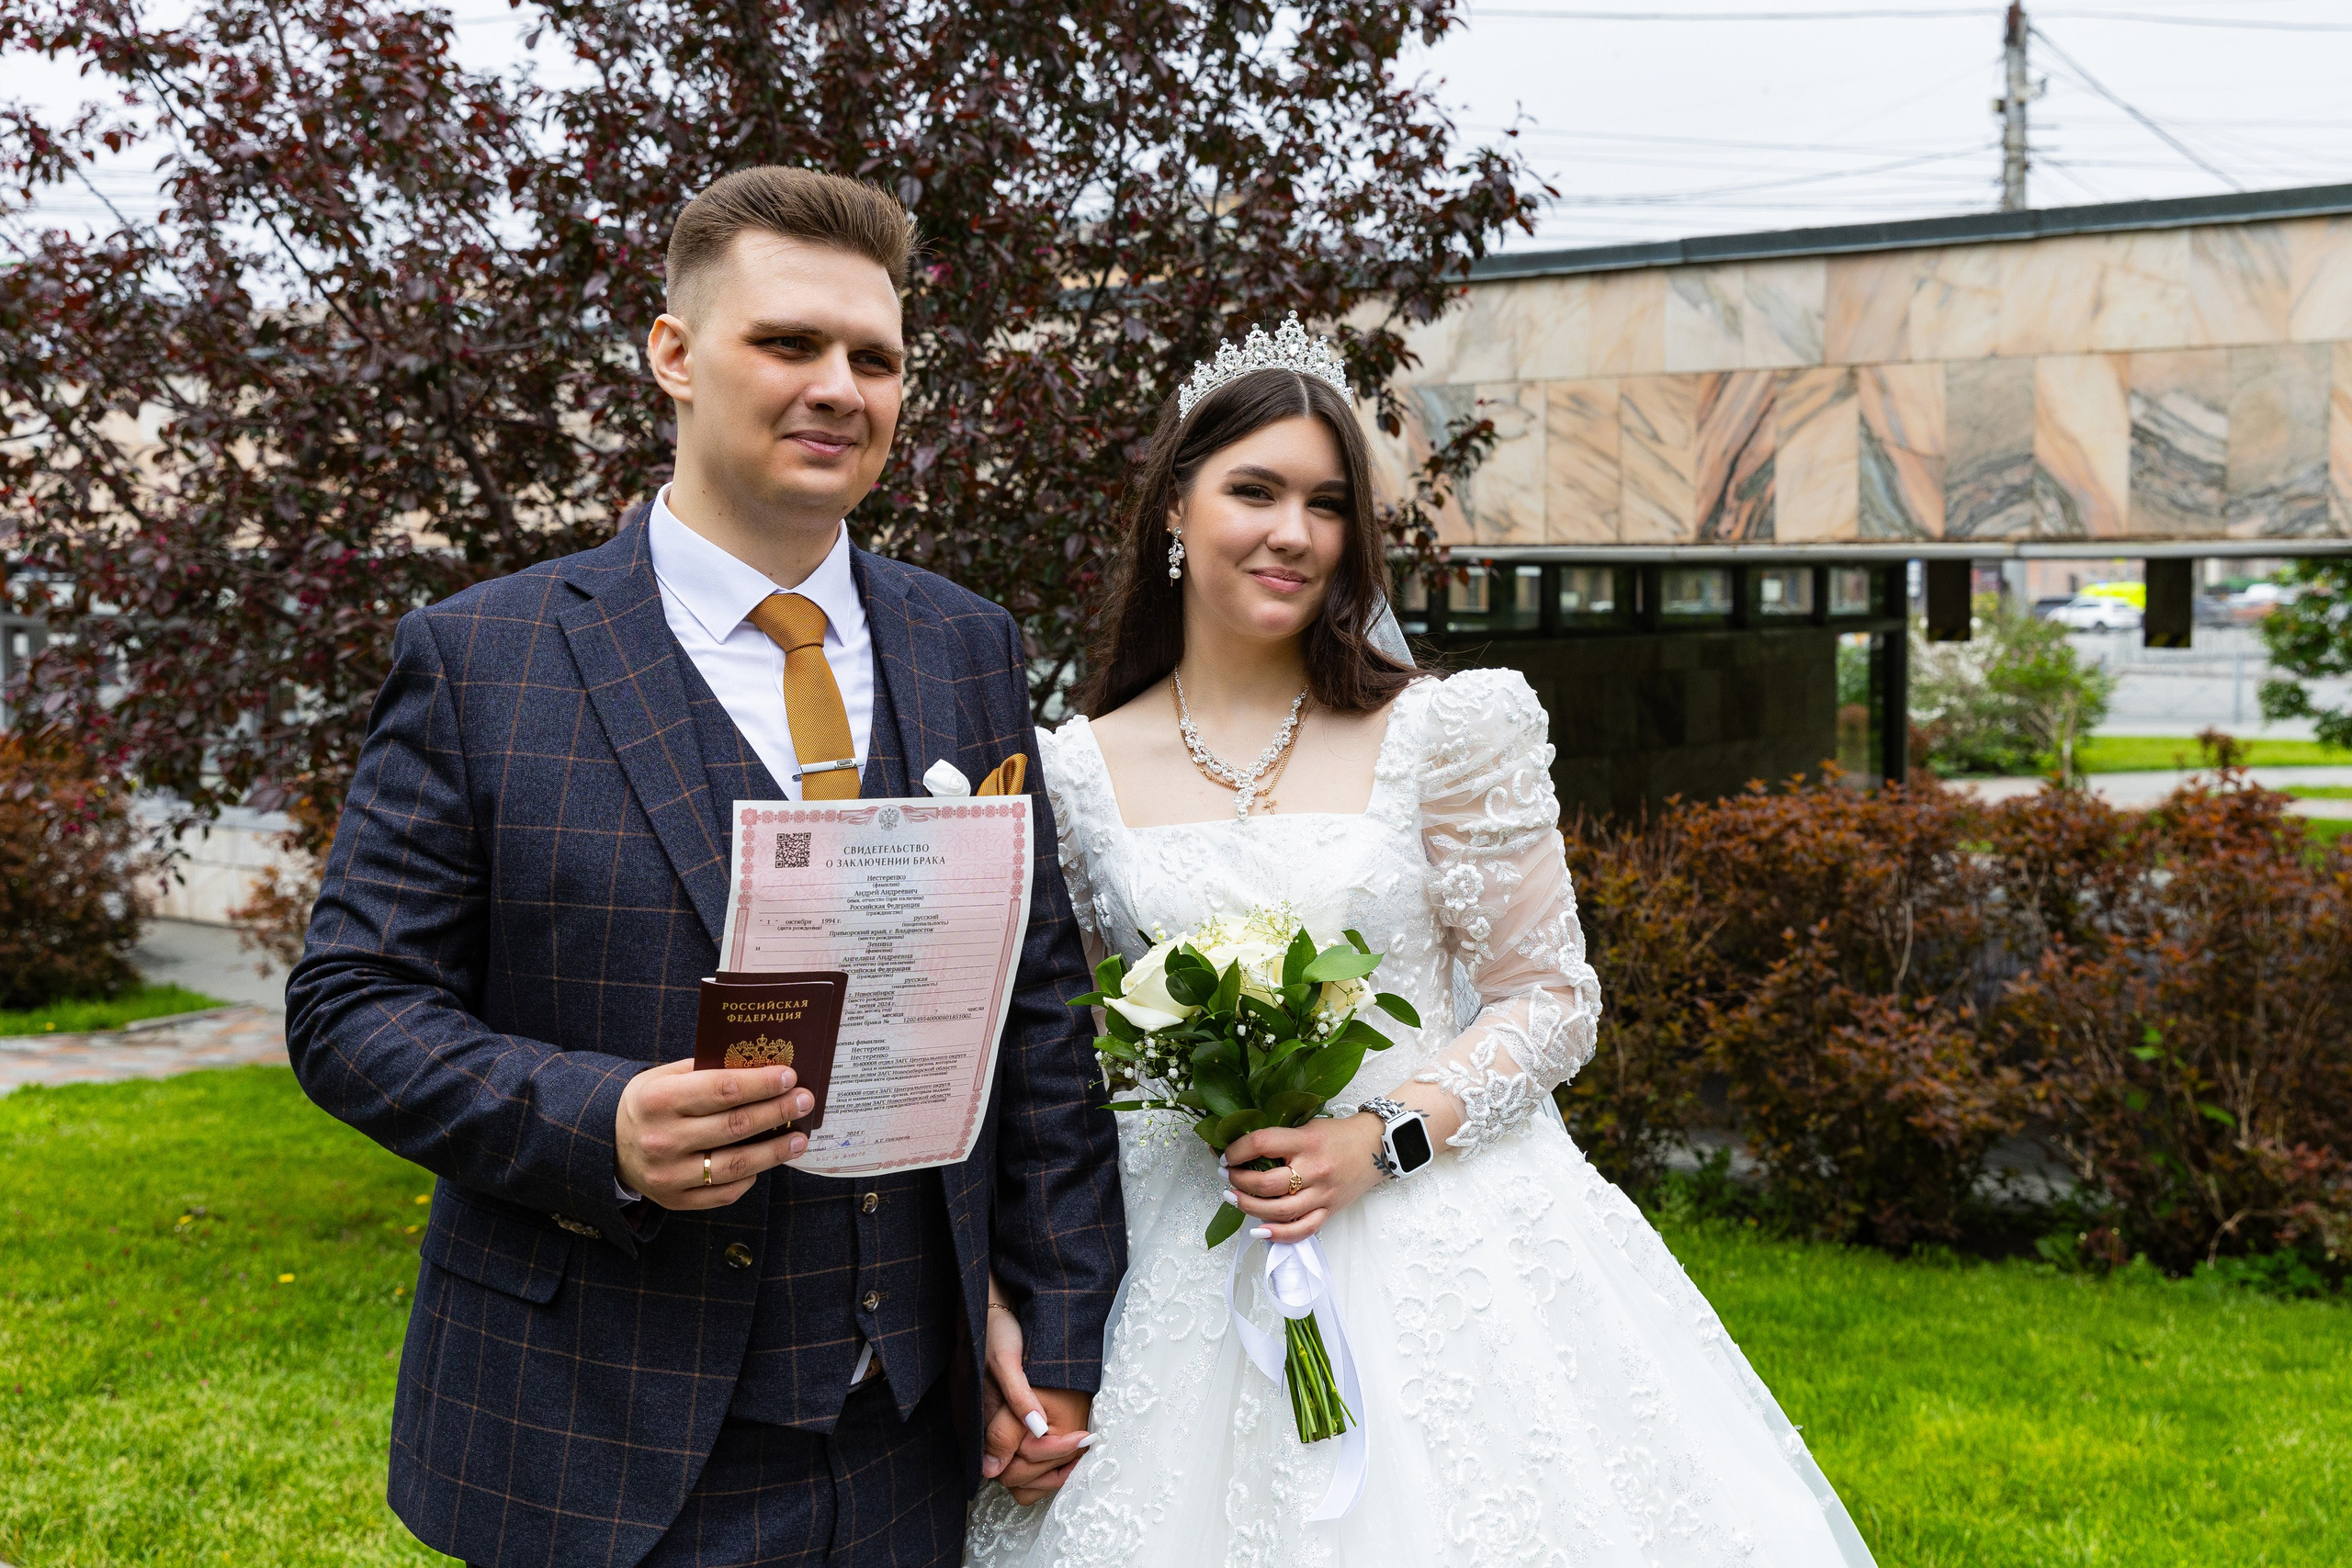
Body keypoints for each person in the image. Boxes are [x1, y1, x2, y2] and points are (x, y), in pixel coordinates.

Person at [285, 166, 1123, 1568]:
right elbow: (350, 1006)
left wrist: (1061, 1316)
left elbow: (1036, 1012)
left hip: (912, 1433)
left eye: (876, 357)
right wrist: (596, 1122)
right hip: (606, 1446)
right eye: (787, 343)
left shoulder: (966, 645)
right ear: (673, 354)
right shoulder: (484, 658)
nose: (839, 387)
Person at [962, 317, 1879, 1565]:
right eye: (1255, 490)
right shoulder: (1071, 774)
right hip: (1181, 1232)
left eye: (1328, 503)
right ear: (1176, 507)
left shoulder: (1451, 734)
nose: (1294, 531)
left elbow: (1551, 1000)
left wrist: (1375, 1141)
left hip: (1440, 1227)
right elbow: (1063, 1056)